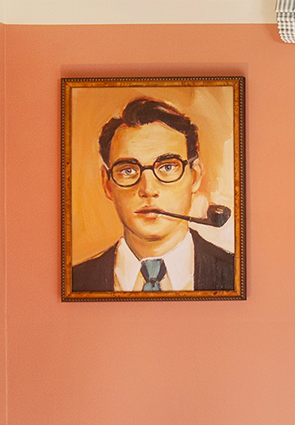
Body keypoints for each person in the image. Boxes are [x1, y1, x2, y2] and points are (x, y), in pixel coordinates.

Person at [70, 97, 235, 292]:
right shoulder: (76, 281)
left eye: (167, 167)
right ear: (107, 183)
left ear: (196, 175)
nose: (148, 189)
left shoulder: (234, 274)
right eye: (128, 170)